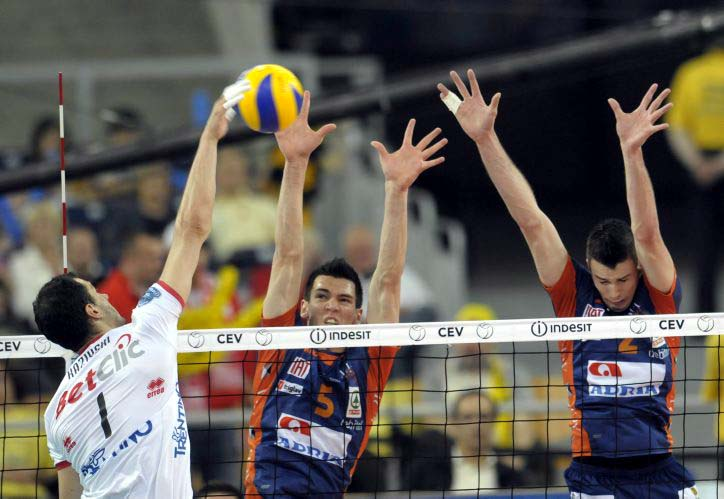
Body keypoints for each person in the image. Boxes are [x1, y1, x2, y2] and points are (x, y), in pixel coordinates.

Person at [438, 69, 697, 497]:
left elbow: (647, 234)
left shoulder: (658, 296)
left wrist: (631, 151)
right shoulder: (573, 294)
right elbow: (531, 220)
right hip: (594, 474)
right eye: (604, 280)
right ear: (590, 269)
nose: (614, 291)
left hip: (657, 469)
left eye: (623, 279)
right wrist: (485, 139)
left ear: (638, 269)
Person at [245, 91, 446, 496]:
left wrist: (397, 190)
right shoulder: (281, 341)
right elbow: (288, 255)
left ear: (358, 315)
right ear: (304, 307)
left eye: (343, 300)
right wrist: (295, 164)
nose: (332, 307)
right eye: (322, 296)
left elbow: (387, 279)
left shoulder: (369, 361)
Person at [32, 95, 233, 498]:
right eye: (96, 292)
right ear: (91, 310)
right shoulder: (146, 329)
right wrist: (209, 139)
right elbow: (192, 229)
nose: (106, 293)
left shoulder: (55, 413)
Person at [666, 36, 724, 314]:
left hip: (701, 169)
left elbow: (676, 128)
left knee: (705, 249)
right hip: (717, 163)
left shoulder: (690, 73)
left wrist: (698, 165)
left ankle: (705, 319)